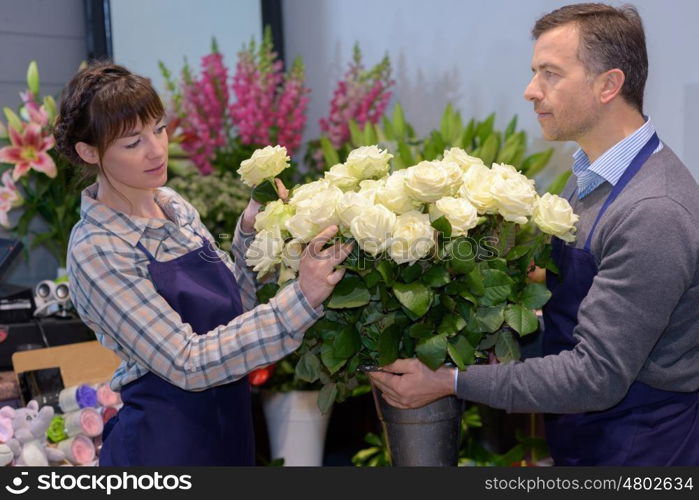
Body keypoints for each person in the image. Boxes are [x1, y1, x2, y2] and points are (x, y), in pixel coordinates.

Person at [370, 3, 699, 465]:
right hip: (588, 438)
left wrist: (451, 381)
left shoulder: (654, 211)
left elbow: (595, 375)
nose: (530, 91)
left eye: (550, 74)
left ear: (609, 85)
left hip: (643, 449)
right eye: (534, 72)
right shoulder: (588, 177)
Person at [54, 62, 352, 466]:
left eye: (158, 129)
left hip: (228, 436)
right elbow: (187, 362)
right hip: (164, 447)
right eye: (132, 142)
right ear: (89, 152)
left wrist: (250, 227)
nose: (156, 149)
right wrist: (302, 298)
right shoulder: (97, 249)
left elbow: (235, 309)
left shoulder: (173, 205)